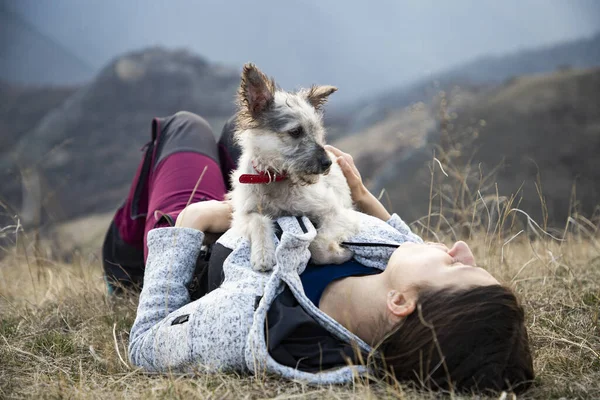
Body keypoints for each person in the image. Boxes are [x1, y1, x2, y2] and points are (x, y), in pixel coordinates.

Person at [102, 111, 534, 394]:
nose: (462, 249)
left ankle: (123, 259)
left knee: (186, 126)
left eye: (457, 268)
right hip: (258, 206)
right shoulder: (390, 281)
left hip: (201, 238)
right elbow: (407, 246)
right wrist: (363, 197)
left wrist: (193, 223)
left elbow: (144, 344)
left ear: (400, 302)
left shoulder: (253, 323)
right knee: (249, 134)